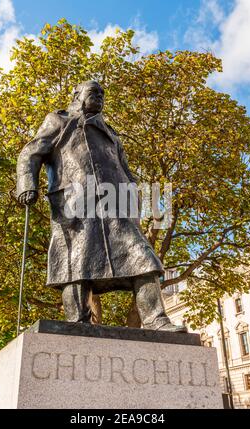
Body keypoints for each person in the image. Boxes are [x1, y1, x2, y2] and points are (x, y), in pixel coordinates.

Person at [17, 80, 186, 332]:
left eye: (102, 93)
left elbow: (127, 172)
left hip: (116, 207)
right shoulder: (59, 121)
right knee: (75, 263)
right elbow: (30, 153)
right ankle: (77, 322)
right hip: (75, 206)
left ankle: (156, 320)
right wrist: (26, 184)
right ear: (76, 95)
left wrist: (133, 201)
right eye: (93, 92)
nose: (99, 97)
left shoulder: (111, 133)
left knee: (144, 259)